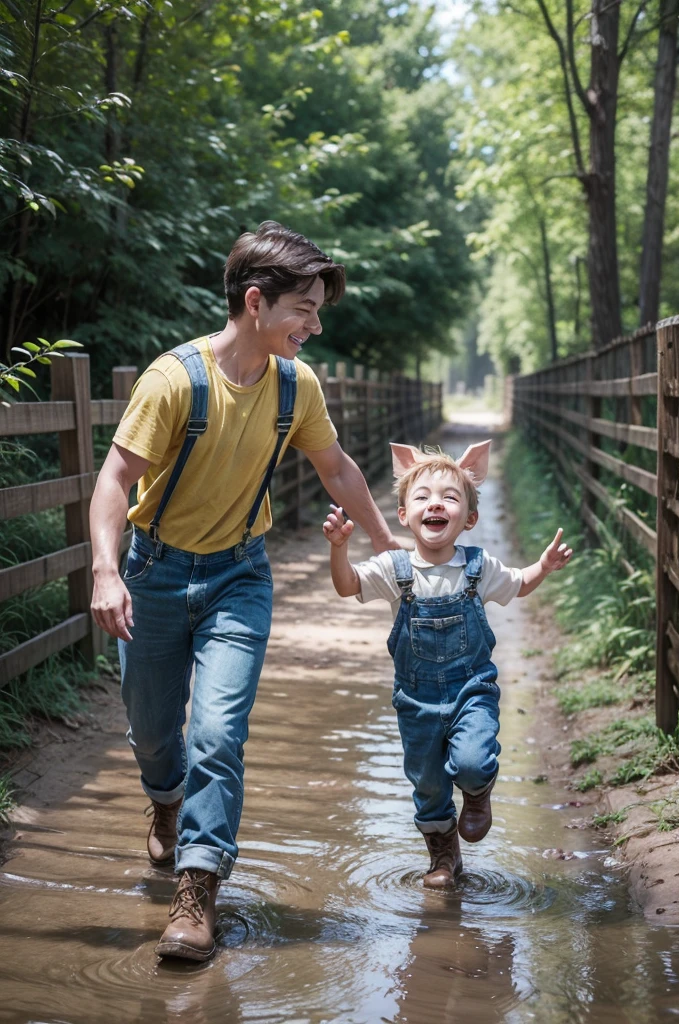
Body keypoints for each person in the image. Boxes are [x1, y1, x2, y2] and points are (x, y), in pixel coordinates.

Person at [89, 221, 397, 961]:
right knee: (155, 733)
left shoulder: (297, 385)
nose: (315, 326)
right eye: (305, 310)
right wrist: (105, 570)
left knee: (218, 734)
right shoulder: (174, 381)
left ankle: (197, 893)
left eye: (319, 311)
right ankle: (164, 801)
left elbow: (339, 469)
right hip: (157, 574)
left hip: (240, 577)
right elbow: (113, 480)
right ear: (255, 303)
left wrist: (392, 548)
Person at [322, 440, 572, 888]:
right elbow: (347, 586)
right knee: (428, 784)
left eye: (450, 497)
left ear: (469, 518)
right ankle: (443, 856)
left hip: (471, 688)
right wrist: (339, 548)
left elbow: (517, 585)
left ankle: (478, 792)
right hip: (415, 700)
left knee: (473, 759)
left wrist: (543, 566)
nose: (435, 503)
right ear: (403, 515)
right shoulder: (393, 569)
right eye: (422, 497)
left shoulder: (478, 568)